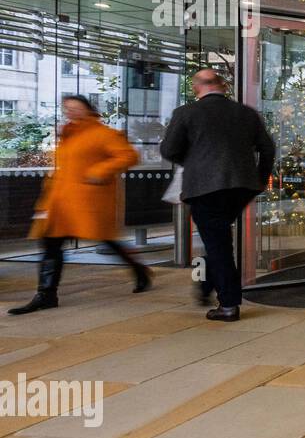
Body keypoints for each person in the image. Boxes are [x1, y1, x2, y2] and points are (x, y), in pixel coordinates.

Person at [8, 95, 151, 314]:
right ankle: (46, 294)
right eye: (67, 108)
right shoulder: (67, 134)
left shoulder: (103, 134)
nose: (71, 112)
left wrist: (99, 171)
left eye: (76, 108)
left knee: (106, 239)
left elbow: (128, 156)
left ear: (88, 109)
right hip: (61, 202)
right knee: (51, 244)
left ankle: (139, 270)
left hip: (89, 200)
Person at [160, 69, 276, 322]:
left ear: (197, 87)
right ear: (222, 86)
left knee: (218, 243)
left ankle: (228, 304)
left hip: (205, 187)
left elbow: (169, 149)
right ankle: (204, 287)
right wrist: (259, 178)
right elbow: (268, 148)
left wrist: (194, 163)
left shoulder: (186, 113)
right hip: (242, 186)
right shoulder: (246, 113)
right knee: (218, 238)